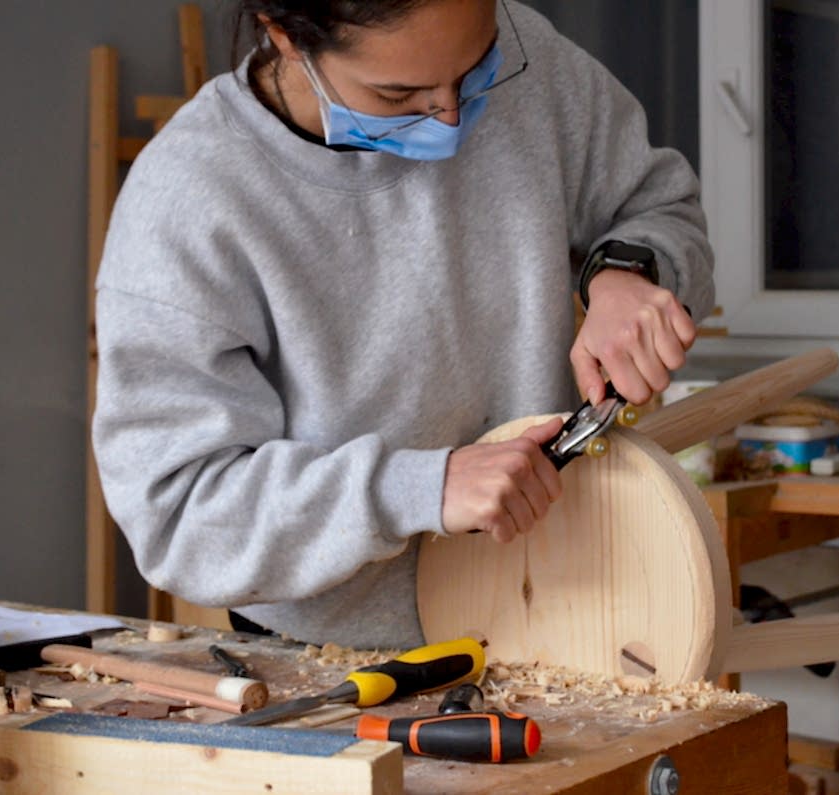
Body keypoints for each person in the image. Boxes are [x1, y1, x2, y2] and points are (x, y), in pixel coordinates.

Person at [93, 0, 714, 649]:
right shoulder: (189, 200)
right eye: (398, 94)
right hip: (333, 660)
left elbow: (659, 206)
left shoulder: (530, 56)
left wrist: (628, 273)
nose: (451, 118)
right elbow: (180, 518)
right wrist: (419, 489)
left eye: (476, 73)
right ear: (285, 35)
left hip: (560, 615)